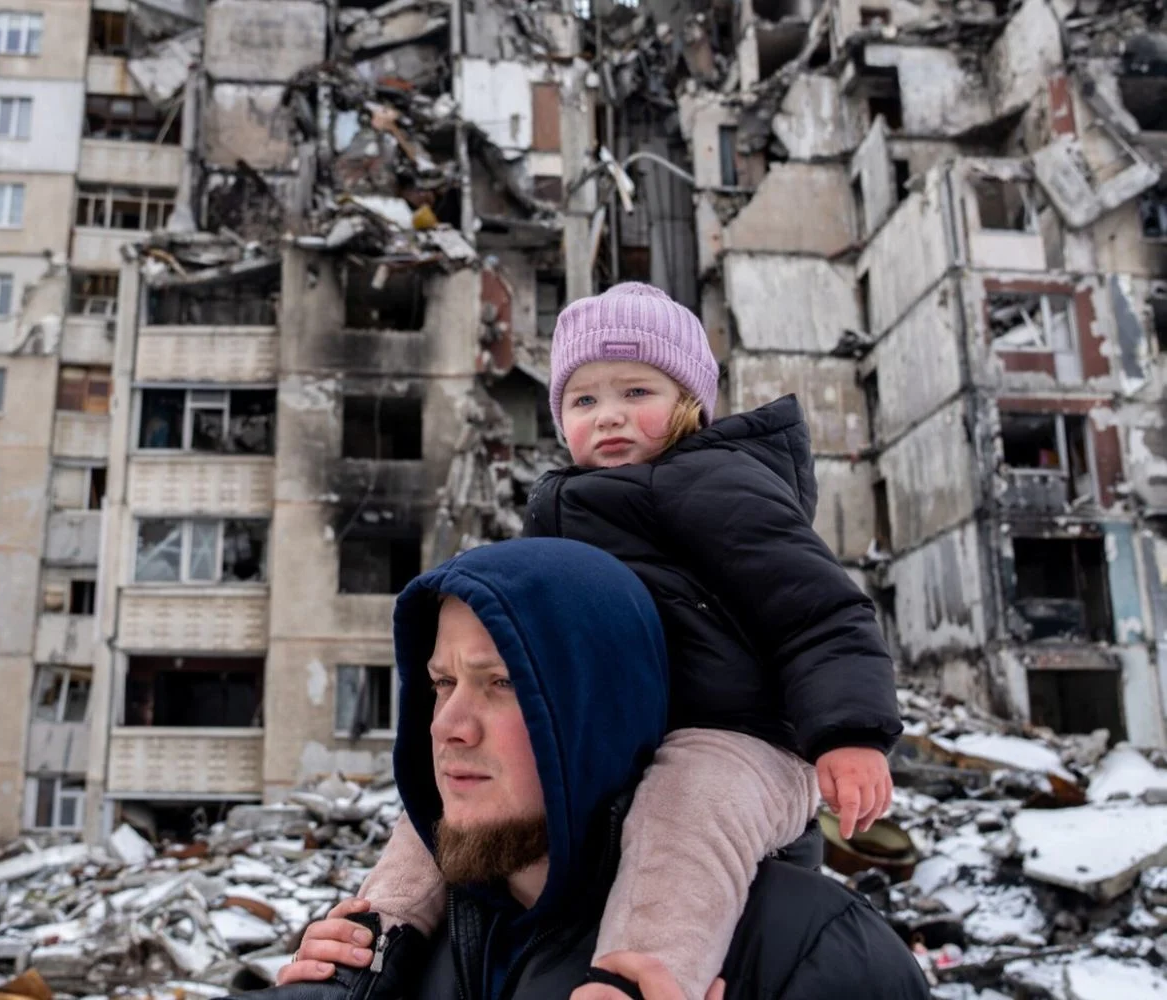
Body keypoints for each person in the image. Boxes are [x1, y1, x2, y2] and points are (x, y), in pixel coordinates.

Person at [338, 282, 905, 999]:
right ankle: (369, 941)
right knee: (453, 796)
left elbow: (819, 613)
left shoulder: (716, 483)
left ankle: (640, 974)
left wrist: (849, 732)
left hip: (742, 741)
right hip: (620, 737)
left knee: (684, 802)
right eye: (584, 401)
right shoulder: (562, 510)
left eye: (636, 391)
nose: (608, 417)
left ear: (691, 402)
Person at [243, 539, 925, 1000]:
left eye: (501, 683)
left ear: (600, 711)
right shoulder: (401, 947)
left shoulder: (814, 948)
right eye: (441, 683)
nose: (449, 725)